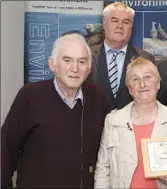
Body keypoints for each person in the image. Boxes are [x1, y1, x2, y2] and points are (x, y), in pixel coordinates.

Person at [1, 34, 108, 188]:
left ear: (89, 68)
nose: (75, 68)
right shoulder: (30, 95)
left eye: (82, 61)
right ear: (52, 64)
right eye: (67, 60)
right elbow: (5, 150)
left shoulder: (96, 97)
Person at [94, 57, 167, 189]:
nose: (142, 84)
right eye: (135, 79)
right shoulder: (113, 121)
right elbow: (102, 168)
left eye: (147, 77)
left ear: (158, 84)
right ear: (130, 88)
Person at [89, 2, 155, 112]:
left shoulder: (145, 58)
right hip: (94, 126)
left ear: (132, 27)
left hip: (131, 127)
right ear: (104, 24)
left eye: (126, 22)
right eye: (114, 20)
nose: (120, 26)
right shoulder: (87, 56)